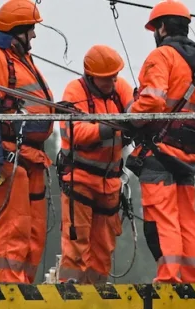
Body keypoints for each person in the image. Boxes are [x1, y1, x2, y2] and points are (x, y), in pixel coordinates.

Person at [126, 0, 195, 284]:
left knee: (162, 217)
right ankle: (193, 278)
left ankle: (169, 278)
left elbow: (152, 100)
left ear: (162, 27)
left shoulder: (161, 57)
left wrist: (129, 116)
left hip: (159, 150)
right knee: (187, 219)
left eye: (155, 27)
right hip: (188, 154)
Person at [0, 0, 55, 284]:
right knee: (15, 225)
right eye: (30, 30)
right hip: (7, 153)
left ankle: (25, 287)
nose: (33, 36)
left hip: (30, 155)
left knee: (35, 230)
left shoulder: (20, 58)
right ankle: (10, 285)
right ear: (16, 31)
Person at [57, 46, 135, 284]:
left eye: (115, 75)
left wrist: (132, 122)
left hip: (109, 184)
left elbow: (135, 112)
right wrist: (112, 126)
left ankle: (95, 300)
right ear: (91, 77)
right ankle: (69, 296)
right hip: (80, 180)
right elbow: (73, 131)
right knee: (76, 245)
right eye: (107, 77)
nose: (113, 80)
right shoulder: (74, 91)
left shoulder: (118, 87)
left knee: (102, 251)